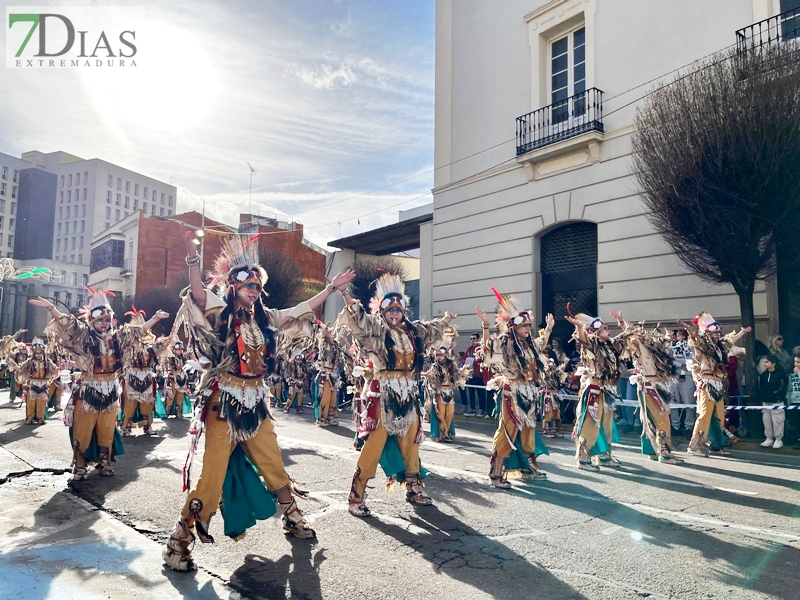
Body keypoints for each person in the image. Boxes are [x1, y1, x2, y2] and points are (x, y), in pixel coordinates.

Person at [162, 231, 355, 572]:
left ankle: (292, 515)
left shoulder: (263, 319)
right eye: (247, 286)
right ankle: (179, 540)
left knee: (273, 461)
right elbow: (197, 294)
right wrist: (194, 263)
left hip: (255, 401)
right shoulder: (221, 313)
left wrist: (331, 289)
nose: (253, 291)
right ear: (234, 287)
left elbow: (301, 310)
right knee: (212, 475)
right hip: (224, 400)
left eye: (256, 287)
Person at [336, 272, 454, 516]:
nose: (394, 314)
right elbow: (358, 318)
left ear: (403, 312)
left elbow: (433, 330)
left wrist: (445, 320)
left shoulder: (413, 333)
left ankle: (413, 487)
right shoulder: (376, 331)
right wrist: (345, 293)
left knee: (412, 442)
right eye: (390, 310)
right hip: (383, 395)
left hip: (409, 394)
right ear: (383, 312)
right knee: (374, 443)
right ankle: (356, 494)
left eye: (398, 310)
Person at [30, 289, 166, 480]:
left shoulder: (118, 338)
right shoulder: (84, 336)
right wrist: (52, 308)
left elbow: (139, 331)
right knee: (83, 431)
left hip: (110, 391)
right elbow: (66, 324)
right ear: (92, 321)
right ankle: (80, 466)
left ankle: (105, 463)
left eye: (106, 319)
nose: (104, 323)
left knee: (106, 430)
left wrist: (155, 318)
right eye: (100, 320)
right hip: (88, 390)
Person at [476, 289, 554, 488]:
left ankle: (526, 468)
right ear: (514, 327)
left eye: (529, 325)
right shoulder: (506, 342)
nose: (529, 328)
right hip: (512, 392)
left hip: (529, 391)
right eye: (525, 325)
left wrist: (549, 328)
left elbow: (542, 344)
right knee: (507, 430)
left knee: (528, 429)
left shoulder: (530, 345)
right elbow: (488, 351)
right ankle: (496, 471)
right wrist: (485, 325)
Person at [566, 308, 628, 471]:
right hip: (594, 388)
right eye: (604, 329)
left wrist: (621, 322)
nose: (608, 331)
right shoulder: (592, 345)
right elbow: (583, 339)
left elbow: (626, 337)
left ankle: (603, 456)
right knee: (590, 423)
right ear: (595, 333)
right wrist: (579, 327)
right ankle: (583, 458)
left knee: (607, 424)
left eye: (607, 328)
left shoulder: (611, 346)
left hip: (607, 389)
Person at [614, 316, 682, 464]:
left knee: (652, 419)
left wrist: (668, 336)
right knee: (660, 418)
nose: (651, 338)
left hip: (658, 386)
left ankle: (652, 450)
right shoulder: (641, 349)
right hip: (649, 387)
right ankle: (663, 452)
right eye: (648, 336)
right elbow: (632, 339)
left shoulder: (657, 352)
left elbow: (664, 344)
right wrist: (624, 326)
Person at [682, 312, 749, 457]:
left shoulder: (720, 347)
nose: (718, 335)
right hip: (707, 383)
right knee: (705, 414)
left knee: (719, 415)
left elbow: (730, 341)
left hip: (718, 384)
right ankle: (695, 446)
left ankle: (716, 445)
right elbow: (695, 340)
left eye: (719, 333)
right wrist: (689, 330)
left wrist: (743, 332)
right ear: (707, 334)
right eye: (715, 333)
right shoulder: (703, 346)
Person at [120, 307, 167, 435]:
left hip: (146, 376)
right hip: (131, 375)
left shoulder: (149, 346)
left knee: (147, 403)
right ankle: (125, 427)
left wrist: (164, 344)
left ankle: (147, 426)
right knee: (130, 403)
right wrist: (155, 317)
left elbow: (159, 353)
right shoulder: (127, 344)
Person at [9, 338, 58, 425]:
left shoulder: (48, 362)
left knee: (41, 403)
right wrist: (14, 365)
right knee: (31, 403)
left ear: (43, 352)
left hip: (43, 385)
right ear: (33, 353)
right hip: (32, 384)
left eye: (40, 352)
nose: (38, 355)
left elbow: (54, 371)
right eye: (36, 353)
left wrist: (60, 368)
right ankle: (30, 418)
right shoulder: (29, 361)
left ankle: (40, 418)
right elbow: (20, 370)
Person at [424, 343, 467, 442]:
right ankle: (445, 433)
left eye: (441, 355)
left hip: (449, 391)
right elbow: (431, 375)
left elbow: (457, 374)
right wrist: (428, 375)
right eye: (437, 355)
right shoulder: (434, 366)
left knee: (450, 413)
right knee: (440, 413)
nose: (439, 357)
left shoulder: (451, 365)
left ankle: (445, 431)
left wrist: (463, 371)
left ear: (445, 355)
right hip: (439, 392)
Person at [313, 323, 345, 426]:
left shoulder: (335, 345)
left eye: (332, 331)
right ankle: (321, 418)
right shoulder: (323, 343)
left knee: (333, 398)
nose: (331, 333)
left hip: (333, 374)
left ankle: (331, 417)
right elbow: (322, 340)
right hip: (325, 373)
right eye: (329, 331)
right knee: (325, 397)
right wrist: (324, 329)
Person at [670, 328, 696, 436]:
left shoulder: (690, 347)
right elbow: (668, 360)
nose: (678, 338)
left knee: (688, 401)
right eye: (677, 336)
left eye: (680, 335)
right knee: (673, 402)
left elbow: (693, 359)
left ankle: (689, 426)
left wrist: (685, 368)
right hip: (674, 375)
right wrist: (679, 365)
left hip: (688, 376)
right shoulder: (671, 348)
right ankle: (675, 426)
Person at [759, 354, 788, 449]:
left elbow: (783, 387)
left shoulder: (781, 374)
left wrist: (778, 395)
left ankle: (778, 439)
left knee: (778, 421)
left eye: (767, 362)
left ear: (774, 363)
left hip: (777, 400)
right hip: (766, 401)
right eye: (764, 362)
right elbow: (761, 387)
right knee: (766, 420)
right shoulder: (763, 375)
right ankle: (769, 438)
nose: (765, 364)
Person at [163, 340, 189, 417]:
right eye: (178, 349)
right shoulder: (170, 358)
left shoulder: (184, 358)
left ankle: (179, 411)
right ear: (174, 349)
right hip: (172, 378)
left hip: (182, 378)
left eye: (181, 349)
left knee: (180, 395)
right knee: (171, 395)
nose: (180, 351)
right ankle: (167, 411)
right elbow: (167, 367)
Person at [464, 333, 486, 417]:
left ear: (478, 339)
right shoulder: (469, 349)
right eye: (471, 339)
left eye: (474, 338)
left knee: (481, 393)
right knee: (471, 393)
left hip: (479, 375)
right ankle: (472, 409)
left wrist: (471, 361)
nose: (473, 340)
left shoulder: (481, 348)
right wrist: (467, 361)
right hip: (471, 374)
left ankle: (482, 410)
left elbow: (481, 360)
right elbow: (464, 358)